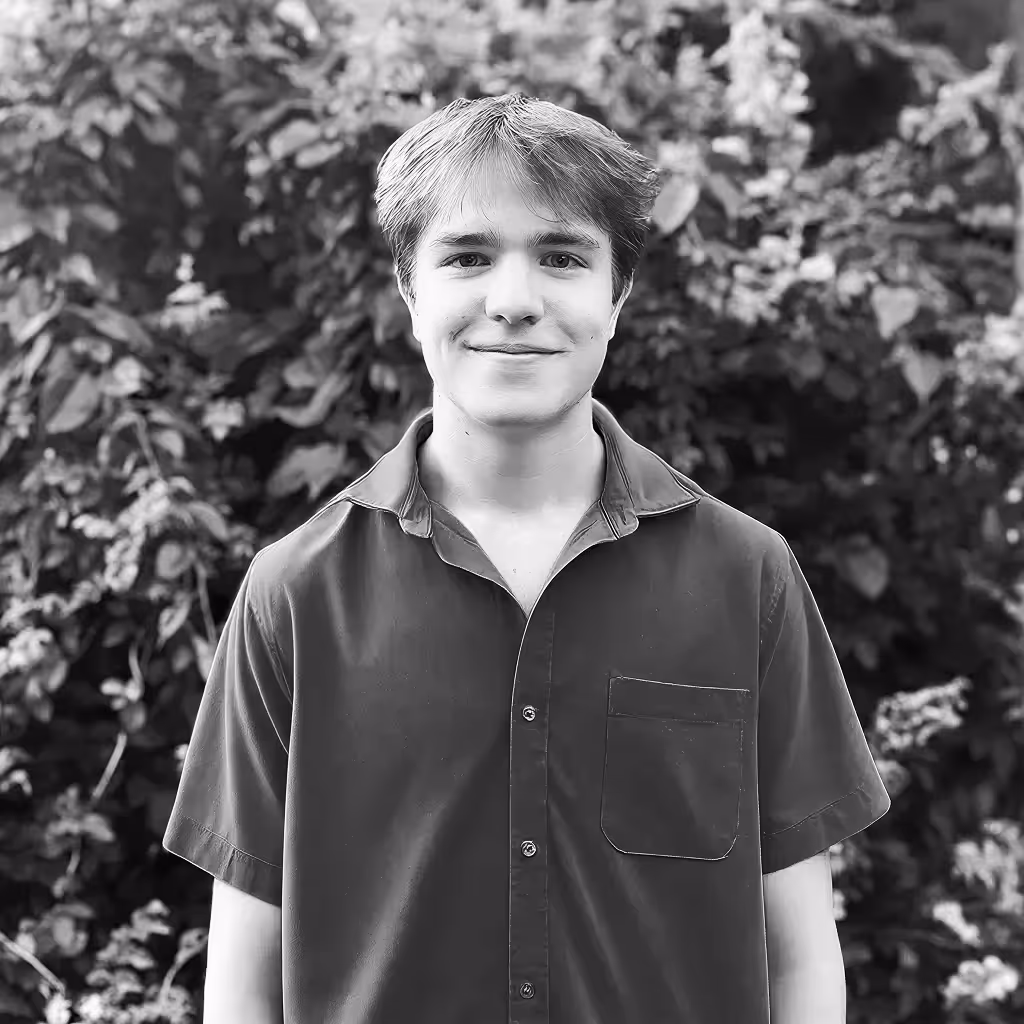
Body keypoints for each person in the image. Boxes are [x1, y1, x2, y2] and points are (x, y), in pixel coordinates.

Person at [163, 92, 891, 1024]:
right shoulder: (295, 596)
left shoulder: (747, 579)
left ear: (617, 297)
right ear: (409, 290)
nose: (514, 301)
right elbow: (241, 985)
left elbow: (801, 961)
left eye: (562, 257)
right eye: (468, 256)